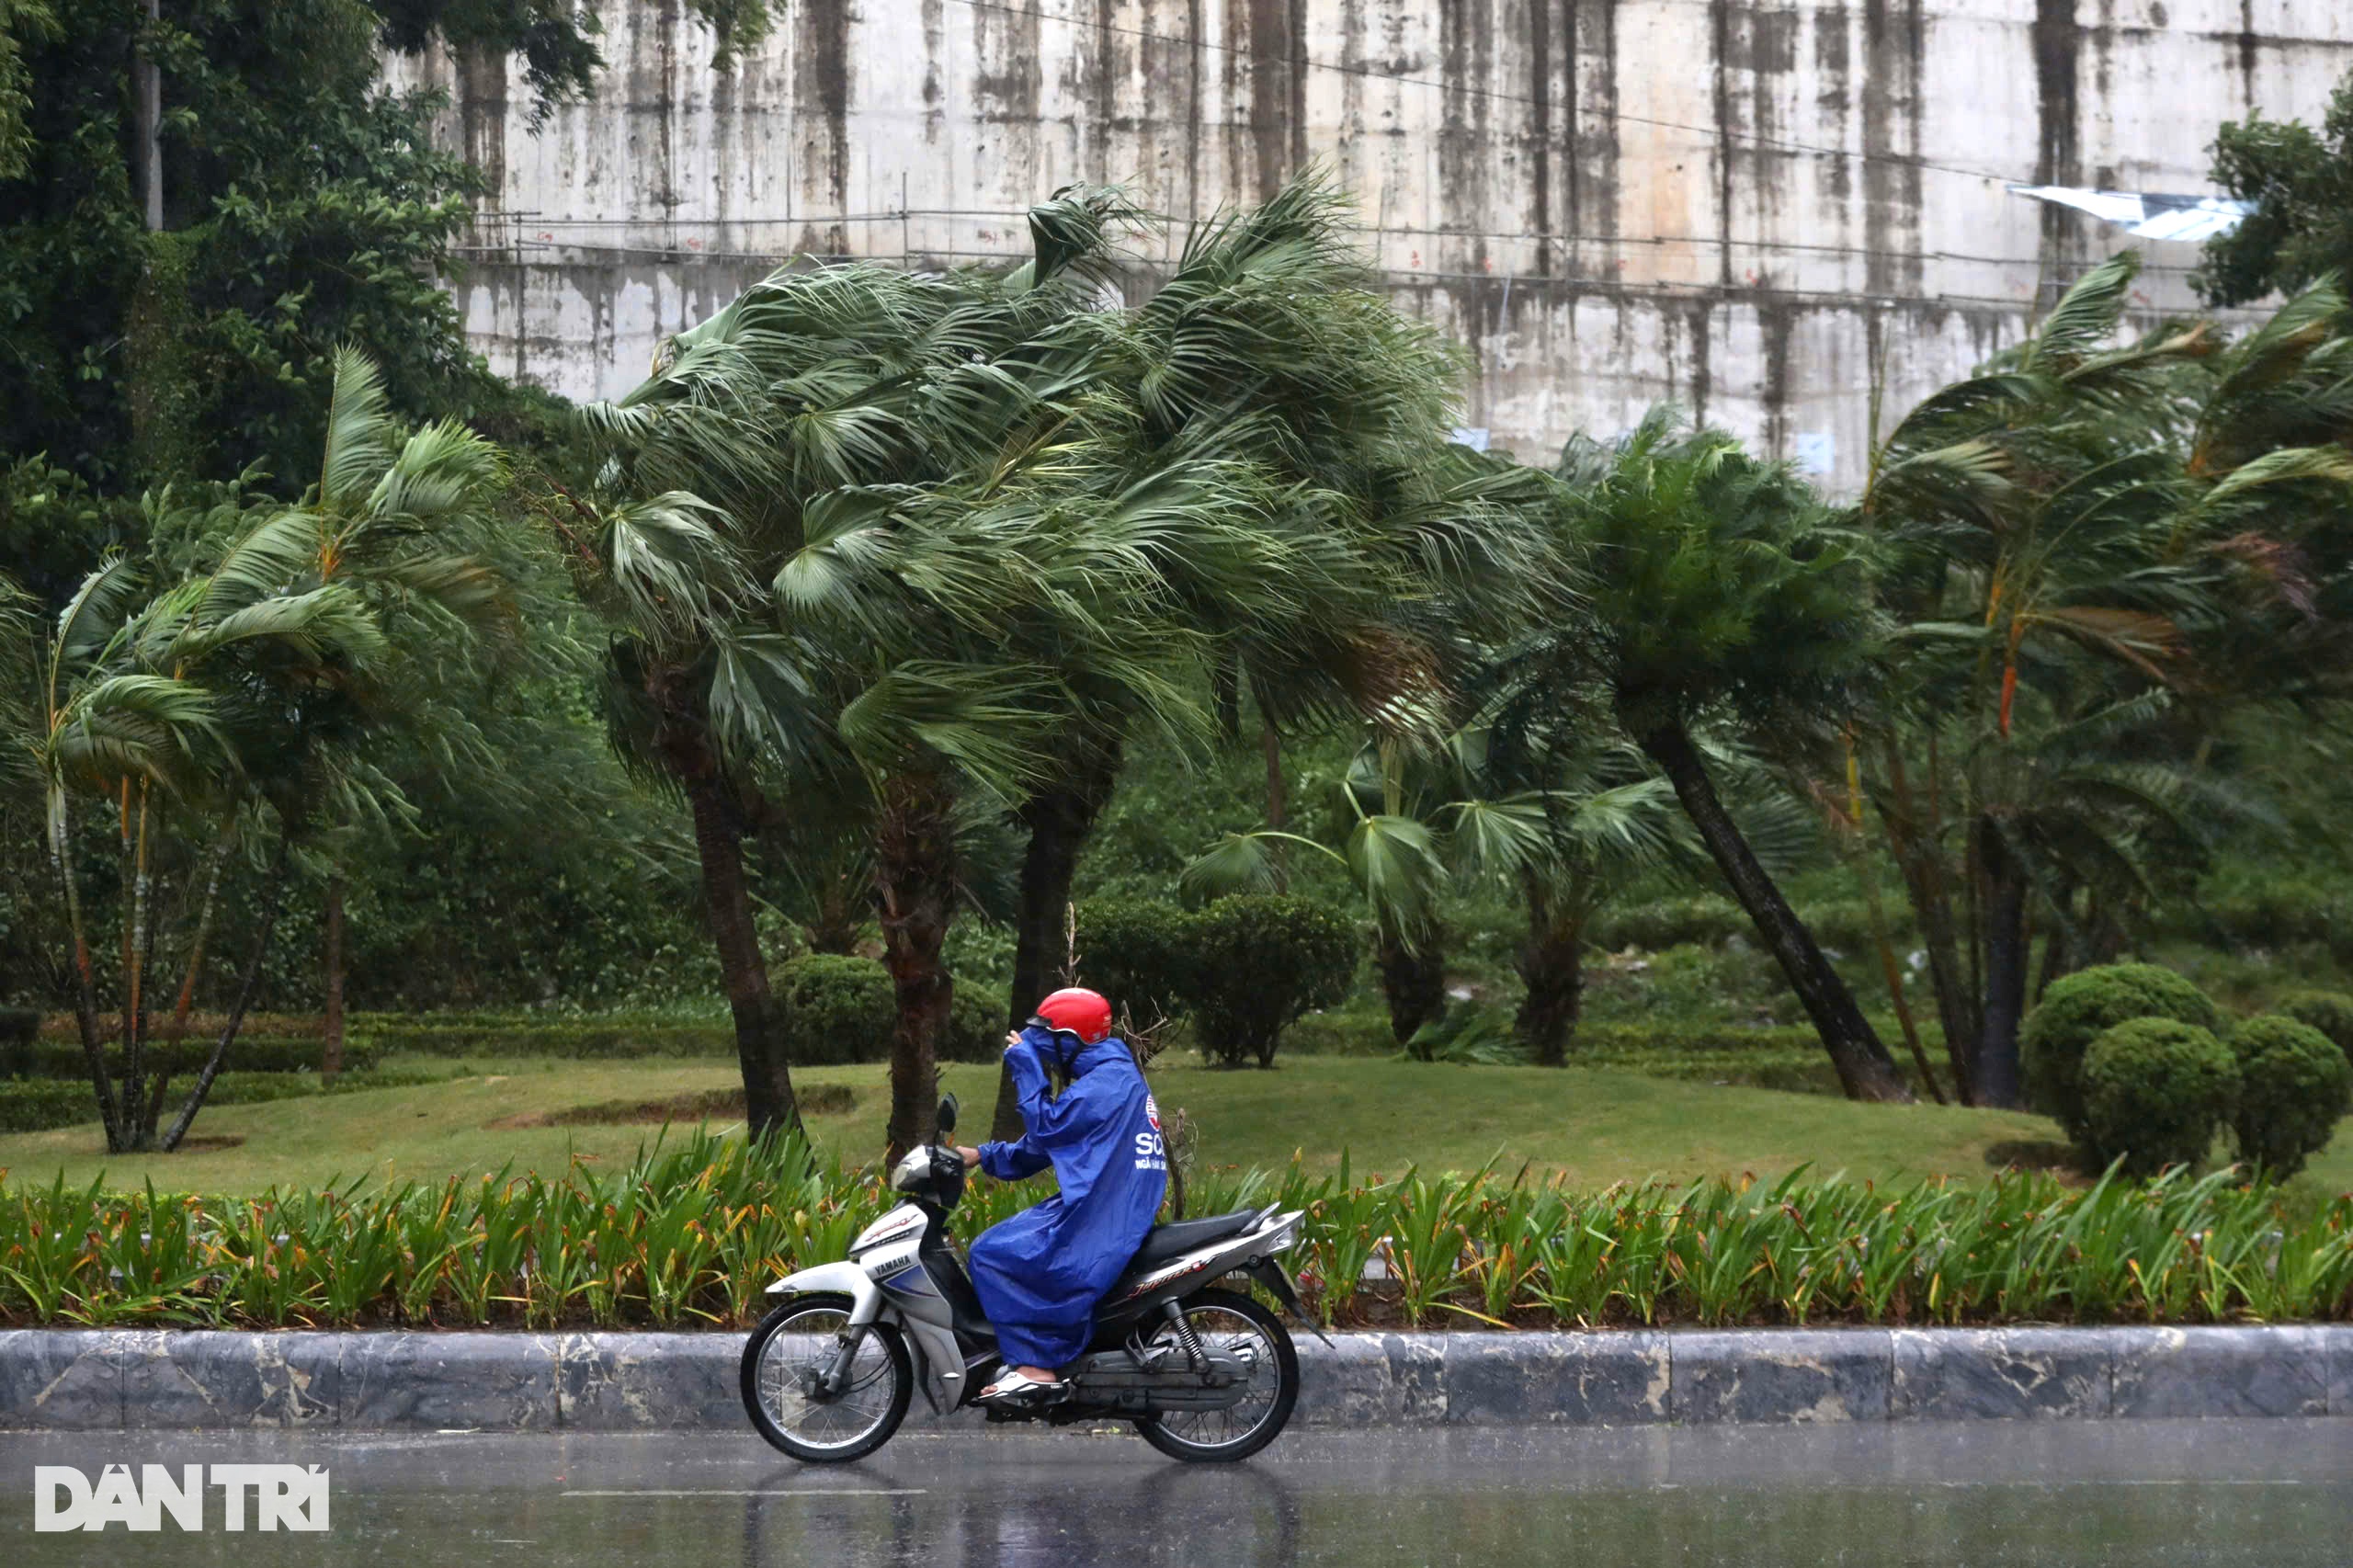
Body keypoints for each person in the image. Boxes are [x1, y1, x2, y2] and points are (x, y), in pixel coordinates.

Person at [955, 985, 1167, 1404]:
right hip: (1109, 1201)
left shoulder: (1105, 1085)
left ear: (1073, 1041)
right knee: (1007, 1248)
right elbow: (1047, 1143)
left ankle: (1035, 1366)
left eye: (1050, 1042)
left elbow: (1047, 1128)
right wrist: (981, 1155)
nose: (1042, 1050)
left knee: (992, 1254)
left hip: (1106, 1212)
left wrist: (1026, 1069)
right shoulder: (1108, 1075)